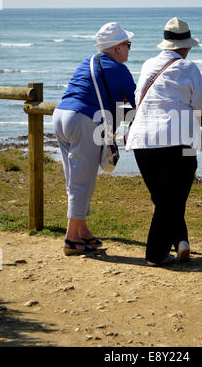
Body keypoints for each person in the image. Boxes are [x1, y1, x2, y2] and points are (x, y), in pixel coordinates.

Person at [126, 17, 202, 267]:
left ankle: (181, 241)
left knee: (164, 197)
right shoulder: (188, 68)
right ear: (185, 46)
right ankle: (155, 254)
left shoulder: (148, 64)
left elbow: (138, 96)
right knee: (171, 198)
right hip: (179, 142)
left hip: (143, 140)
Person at [53, 22, 136, 256]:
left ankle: (82, 232)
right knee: (83, 181)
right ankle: (71, 239)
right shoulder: (119, 69)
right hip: (83, 119)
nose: (130, 49)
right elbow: (138, 101)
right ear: (117, 47)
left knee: (75, 179)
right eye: (128, 45)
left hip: (61, 115)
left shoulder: (87, 61)